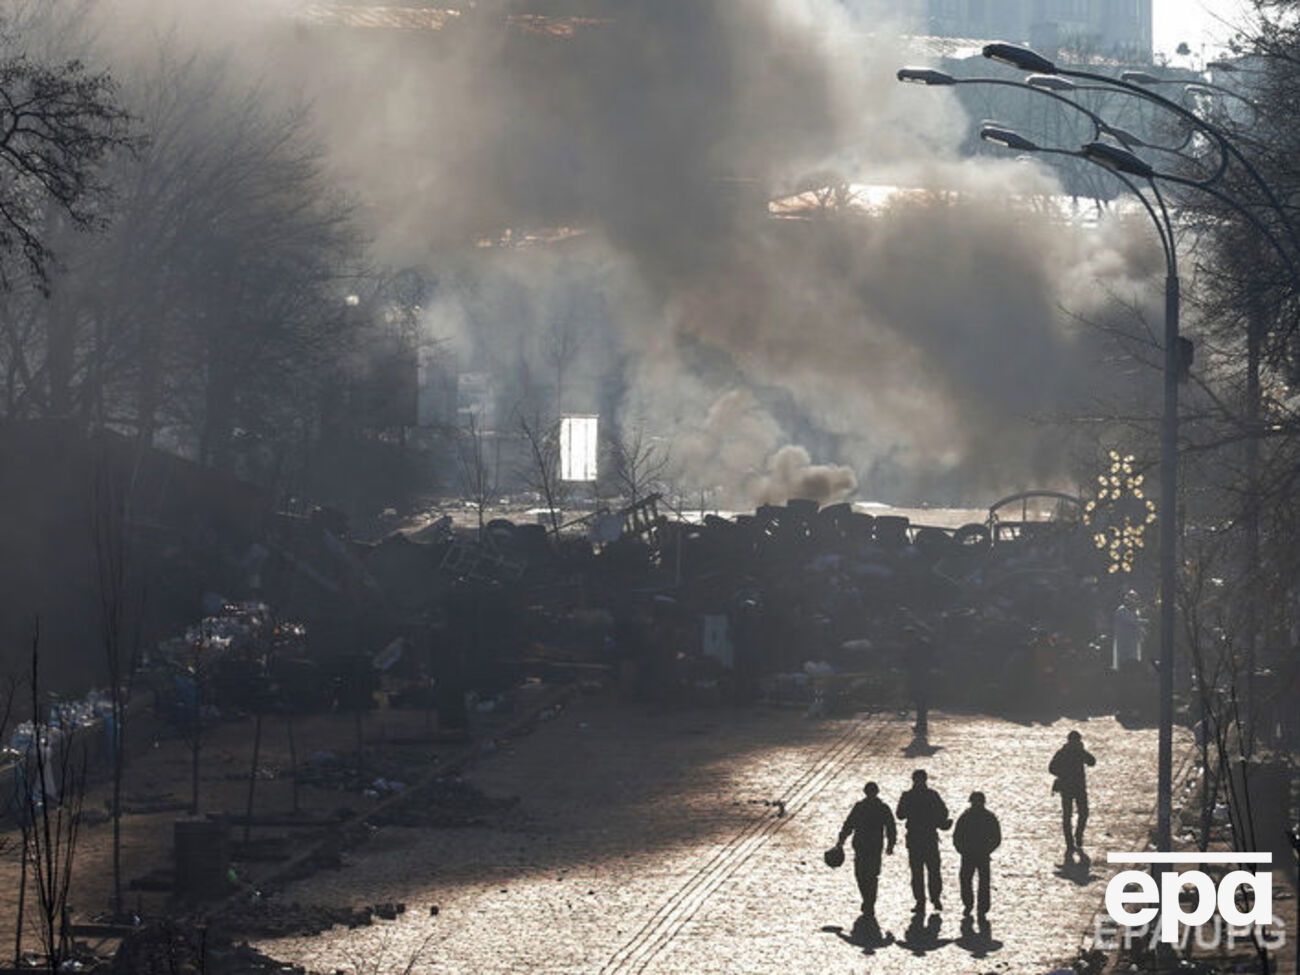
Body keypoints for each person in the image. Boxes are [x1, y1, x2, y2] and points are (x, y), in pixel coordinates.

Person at [834, 781, 897, 917]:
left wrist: (841, 840)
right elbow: (891, 827)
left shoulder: (860, 807)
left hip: (862, 846)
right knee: (872, 876)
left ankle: (867, 901)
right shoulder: (882, 807)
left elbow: (848, 824)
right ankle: (869, 902)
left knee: (861, 875)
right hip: (874, 846)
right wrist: (890, 844)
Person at [896, 769, 951, 912]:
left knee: (917, 872)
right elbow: (944, 812)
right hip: (929, 837)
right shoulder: (932, 795)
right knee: (933, 870)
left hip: (915, 838)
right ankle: (935, 899)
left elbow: (900, 815)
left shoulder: (908, 796)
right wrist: (936, 821)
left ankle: (920, 901)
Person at [953, 792, 1001, 919]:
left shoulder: (968, 817)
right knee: (974, 880)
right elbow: (996, 838)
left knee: (974, 880)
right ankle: (975, 905)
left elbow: (996, 838)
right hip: (975, 854)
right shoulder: (986, 817)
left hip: (975, 854)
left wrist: (963, 849)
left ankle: (977, 906)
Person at [1049, 730, 1096, 859]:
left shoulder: (1065, 752)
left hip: (1069, 788)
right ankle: (1076, 838)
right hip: (1076, 787)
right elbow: (1092, 761)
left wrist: (1062, 775)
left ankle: (1072, 840)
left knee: (1070, 815)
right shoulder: (1070, 752)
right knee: (1079, 813)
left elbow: (1091, 761)